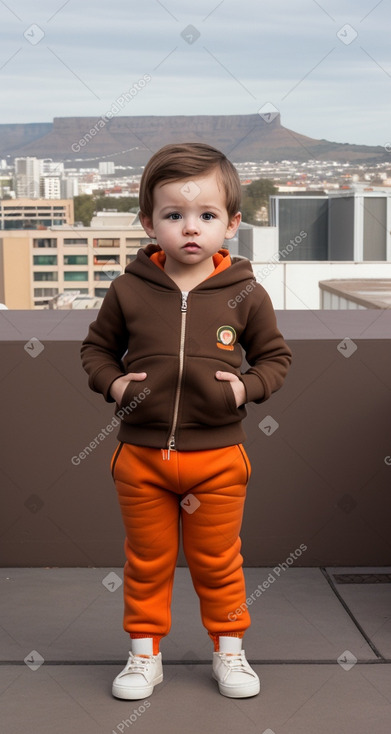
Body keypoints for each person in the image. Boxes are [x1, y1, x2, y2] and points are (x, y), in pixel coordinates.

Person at [80, 142, 292, 701]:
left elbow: (276, 358)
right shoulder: (128, 289)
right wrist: (114, 383)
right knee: (146, 562)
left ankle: (230, 652)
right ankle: (143, 658)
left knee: (219, 562)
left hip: (219, 460)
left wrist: (248, 387)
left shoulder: (246, 292)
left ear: (232, 222)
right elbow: (96, 351)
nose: (190, 229)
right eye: (174, 216)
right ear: (150, 222)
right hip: (142, 459)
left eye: (207, 216)